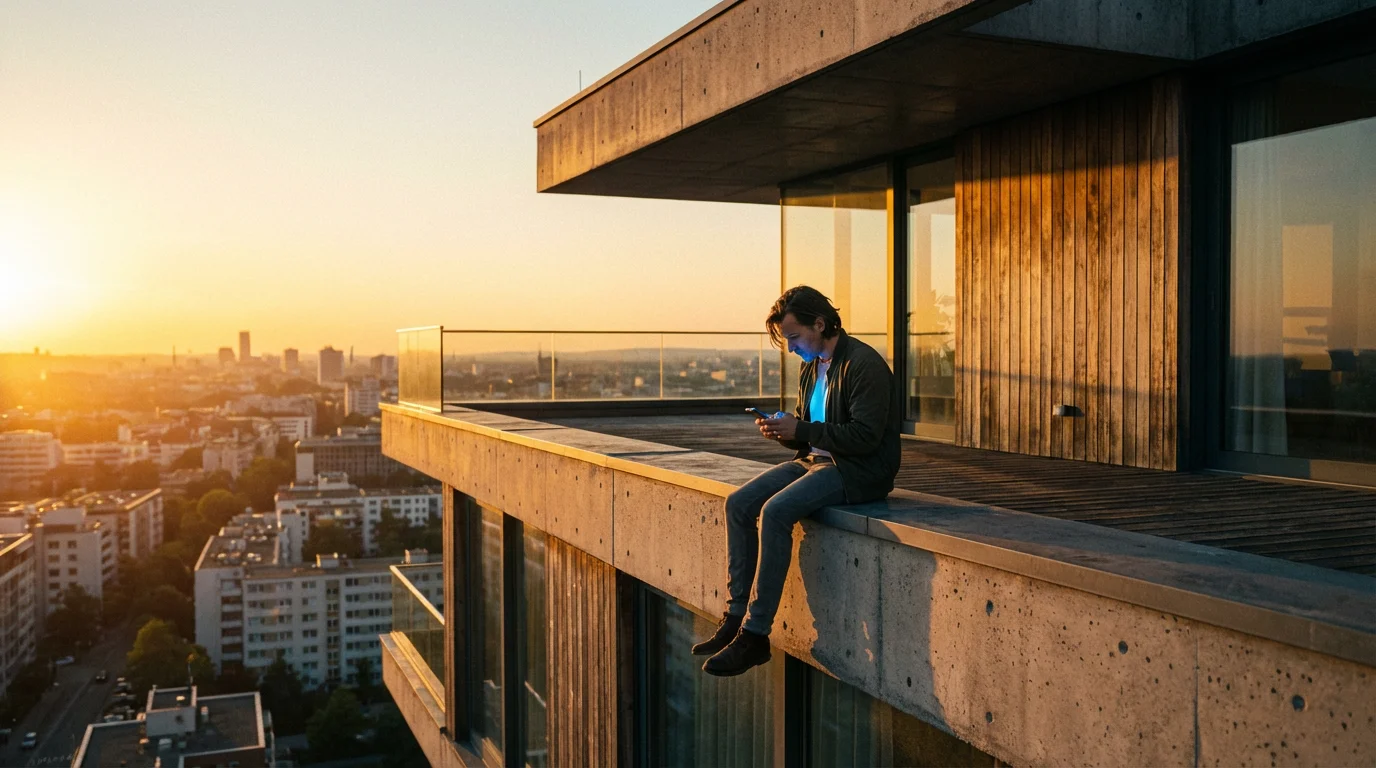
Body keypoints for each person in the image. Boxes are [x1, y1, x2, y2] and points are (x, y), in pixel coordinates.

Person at [695, 285, 902, 676]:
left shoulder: (863, 364)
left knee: (775, 512)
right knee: (738, 503)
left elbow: (865, 437)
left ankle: (755, 635)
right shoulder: (813, 367)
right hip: (814, 460)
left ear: (819, 324)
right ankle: (734, 615)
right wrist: (785, 432)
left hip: (856, 470)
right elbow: (809, 429)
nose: (790, 348)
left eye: (793, 336)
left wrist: (802, 427)